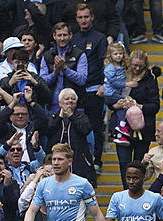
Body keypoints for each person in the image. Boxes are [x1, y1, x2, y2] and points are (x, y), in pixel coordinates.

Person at [111, 49, 161, 188]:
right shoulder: (120, 75)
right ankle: (126, 192)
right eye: (134, 65)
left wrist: (139, 106)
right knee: (124, 163)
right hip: (122, 128)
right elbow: (110, 97)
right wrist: (115, 105)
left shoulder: (150, 79)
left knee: (139, 164)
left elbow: (155, 106)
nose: (137, 68)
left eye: (140, 66)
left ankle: (137, 191)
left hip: (142, 129)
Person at [71, 3, 108, 174]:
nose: (83, 20)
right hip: (76, 91)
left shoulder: (100, 38)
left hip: (94, 89)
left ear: (92, 17)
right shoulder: (73, 38)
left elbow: (104, 63)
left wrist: (103, 84)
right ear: (76, 19)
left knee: (96, 126)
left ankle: (97, 161)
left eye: (86, 16)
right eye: (80, 17)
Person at [46, 88, 96, 187]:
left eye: (73, 99)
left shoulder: (81, 116)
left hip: (77, 159)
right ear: (60, 103)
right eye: (67, 99)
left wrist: (71, 116)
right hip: (56, 158)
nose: (70, 101)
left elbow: (85, 129)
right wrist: (59, 118)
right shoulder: (53, 117)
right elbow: (47, 130)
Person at [40, 22, 87, 114]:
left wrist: (65, 68)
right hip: (52, 107)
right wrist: (55, 73)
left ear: (70, 35)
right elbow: (42, 82)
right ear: (54, 36)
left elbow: (82, 79)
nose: (62, 38)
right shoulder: (47, 56)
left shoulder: (79, 54)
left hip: (75, 107)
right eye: (59, 35)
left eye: (65, 35)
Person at [103, 42, 137, 146]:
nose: (118, 56)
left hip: (115, 93)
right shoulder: (109, 68)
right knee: (127, 102)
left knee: (121, 107)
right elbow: (113, 82)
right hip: (110, 94)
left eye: (120, 54)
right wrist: (127, 84)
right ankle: (122, 125)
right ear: (110, 55)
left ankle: (119, 136)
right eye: (115, 54)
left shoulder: (121, 66)